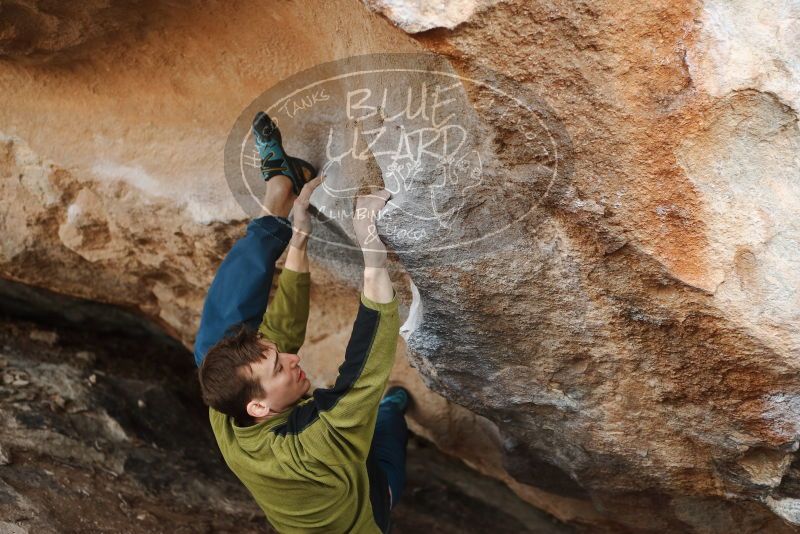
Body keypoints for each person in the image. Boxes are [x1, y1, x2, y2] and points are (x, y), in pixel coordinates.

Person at [193, 117, 410, 533]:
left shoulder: (230, 412)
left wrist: (297, 238)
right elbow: (365, 370)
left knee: (211, 348)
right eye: (279, 368)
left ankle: (279, 192)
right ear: (259, 406)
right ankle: (394, 412)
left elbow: (280, 332)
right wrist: (370, 243)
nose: (293, 358)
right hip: (364, 513)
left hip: (317, 476)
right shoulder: (311, 445)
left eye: (279, 358)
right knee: (383, 426)